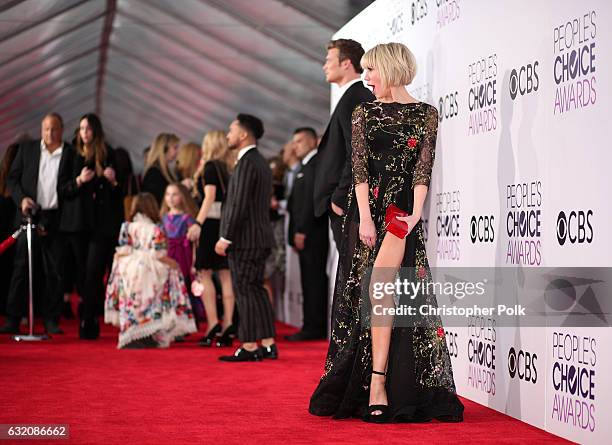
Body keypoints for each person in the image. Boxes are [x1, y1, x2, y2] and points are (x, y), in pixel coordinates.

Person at [309, 43, 464, 423]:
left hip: (400, 216)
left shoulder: (426, 115)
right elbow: (359, 169)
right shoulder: (364, 112)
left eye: (371, 70)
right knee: (372, 299)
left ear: (391, 69)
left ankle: (382, 382)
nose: (366, 78)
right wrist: (363, 218)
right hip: (366, 216)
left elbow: (422, 170)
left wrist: (415, 214)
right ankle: (374, 382)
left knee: (383, 293)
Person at [0, 114, 72, 335]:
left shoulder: (70, 154)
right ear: (41, 130)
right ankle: (13, 318)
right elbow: (12, 178)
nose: (50, 134)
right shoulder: (27, 150)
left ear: (62, 130)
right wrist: (21, 198)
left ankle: (51, 318)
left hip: (56, 218)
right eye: (46, 129)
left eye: (54, 129)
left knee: (54, 269)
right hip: (28, 215)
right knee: (21, 267)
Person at [214, 114, 276, 362]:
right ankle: (269, 343)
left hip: (245, 240)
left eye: (231, 130)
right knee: (256, 290)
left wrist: (225, 237)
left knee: (245, 290)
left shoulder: (247, 163)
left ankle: (250, 345)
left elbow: (237, 204)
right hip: (259, 238)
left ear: (243, 134)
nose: (227, 135)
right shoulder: (259, 161)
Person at [58, 113, 124, 340]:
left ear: (95, 131)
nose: (84, 132)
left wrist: (113, 180)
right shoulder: (71, 154)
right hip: (77, 223)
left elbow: (121, 193)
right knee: (81, 270)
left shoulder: (109, 153)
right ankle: (87, 311)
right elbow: (62, 189)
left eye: (88, 128)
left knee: (94, 270)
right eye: (81, 128)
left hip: (100, 224)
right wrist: (78, 181)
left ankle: (89, 317)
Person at [104, 193, 197, 349]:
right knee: (153, 300)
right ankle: (150, 334)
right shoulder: (156, 229)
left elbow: (122, 250)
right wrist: (174, 264)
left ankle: (132, 333)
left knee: (132, 301)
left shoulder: (127, 227)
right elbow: (159, 254)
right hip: (150, 269)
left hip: (129, 269)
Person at [314, 39, 375, 248]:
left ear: (346, 63)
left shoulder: (356, 98)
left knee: (354, 275)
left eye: (329, 60)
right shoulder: (351, 96)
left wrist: (340, 198)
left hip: (350, 207)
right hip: (347, 206)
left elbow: (358, 152)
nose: (324, 65)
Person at [187, 131, 236, 347]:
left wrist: (197, 223)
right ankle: (228, 324)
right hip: (225, 224)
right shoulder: (230, 167)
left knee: (205, 273)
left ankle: (213, 323)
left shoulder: (210, 167)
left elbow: (209, 197)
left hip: (210, 224)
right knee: (226, 276)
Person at [286, 127, 328, 341]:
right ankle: (310, 324)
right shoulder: (305, 166)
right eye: (294, 142)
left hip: (313, 234)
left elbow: (311, 203)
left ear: (313, 142)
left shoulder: (314, 165)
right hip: (306, 233)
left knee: (314, 280)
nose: (295, 146)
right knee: (308, 280)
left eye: (300, 141)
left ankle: (315, 327)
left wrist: (301, 230)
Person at [160, 183, 198, 287]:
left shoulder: (187, 218)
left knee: (184, 281)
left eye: (174, 194)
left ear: (182, 196)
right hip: (166, 254)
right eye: (167, 194)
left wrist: (195, 263)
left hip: (184, 255)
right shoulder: (162, 217)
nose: (170, 198)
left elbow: (195, 243)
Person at [142, 133, 179, 205]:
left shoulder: (164, 170)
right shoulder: (154, 172)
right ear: (164, 149)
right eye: (175, 148)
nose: (177, 151)